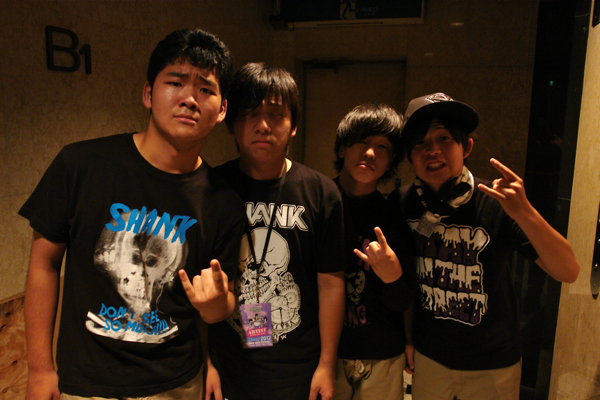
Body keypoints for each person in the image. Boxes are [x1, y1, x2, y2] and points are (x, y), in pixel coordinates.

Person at [19, 28, 244, 399]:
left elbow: (221, 300)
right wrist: (40, 369)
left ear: (221, 110)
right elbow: (44, 265)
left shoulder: (223, 201)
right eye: (175, 82)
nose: (189, 99)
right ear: (148, 94)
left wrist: (218, 307)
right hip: (86, 385)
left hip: (178, 384)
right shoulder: (80, 165)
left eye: (205, 89)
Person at [387, 92, 580, 400]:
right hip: (430, 356)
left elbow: (568, 271)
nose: (432, 150)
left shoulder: (494, 201)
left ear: (466, 147)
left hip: (492, 363)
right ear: (409, 155)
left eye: (444, 138)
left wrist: (525, 212)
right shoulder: (403, 203)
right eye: (420, 143)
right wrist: (408, 337)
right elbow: (407, 281)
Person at [206, 62, 346, 400]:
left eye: (276, 115)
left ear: (293, 125)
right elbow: (198, 282)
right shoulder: (210, 187)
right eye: (250, 114)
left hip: (298, 368)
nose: (263, 126)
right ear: (231, 123)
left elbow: (330, 283)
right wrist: (206, 362)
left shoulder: (321, 193)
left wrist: (326, 365)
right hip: (226, 366)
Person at [331, 102, 415, 400]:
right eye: (362, 142)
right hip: (327, 352)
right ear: (342, 148)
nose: (370, 153)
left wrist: (393, 277)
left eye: (382, 147)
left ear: (391, 161)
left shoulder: (395, 213)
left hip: (383, 352)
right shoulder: (318, 201)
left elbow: (404, 298)